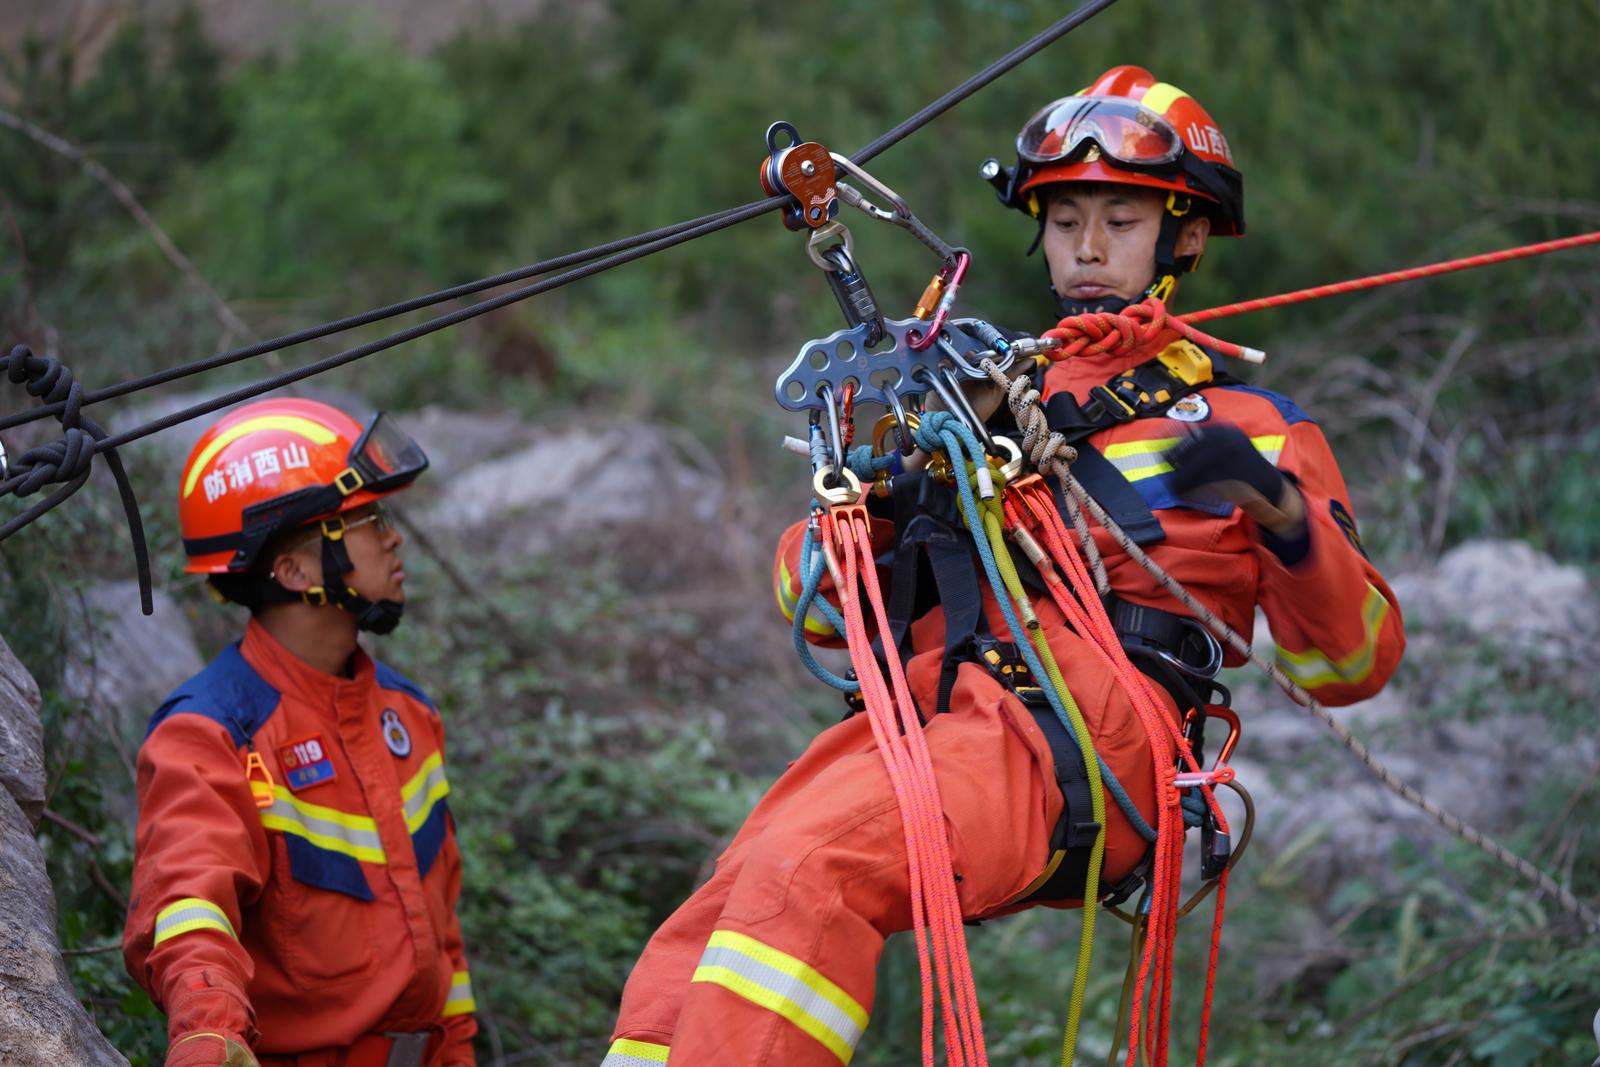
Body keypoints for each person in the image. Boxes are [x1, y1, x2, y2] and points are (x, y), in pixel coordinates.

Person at [601, 65, 1405, 1065]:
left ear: (1184, 237)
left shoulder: (1248, 428)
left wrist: (1278, 512)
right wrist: (882, 499)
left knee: (809, 866)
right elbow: (813, 612)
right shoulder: (973, 394)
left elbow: (1352, 662)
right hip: (937, 707)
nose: (1089, 246)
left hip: (1094, 729)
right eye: (1066, 220)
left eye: (1120, 217)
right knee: (722, 905)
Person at [122, 398, 477, 1067]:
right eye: (368, 520)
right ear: (293, 571)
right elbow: (189, 910)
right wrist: (209, 1036)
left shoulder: (409, 715)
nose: (393, 538)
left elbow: (443, 937)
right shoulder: (211, 734)